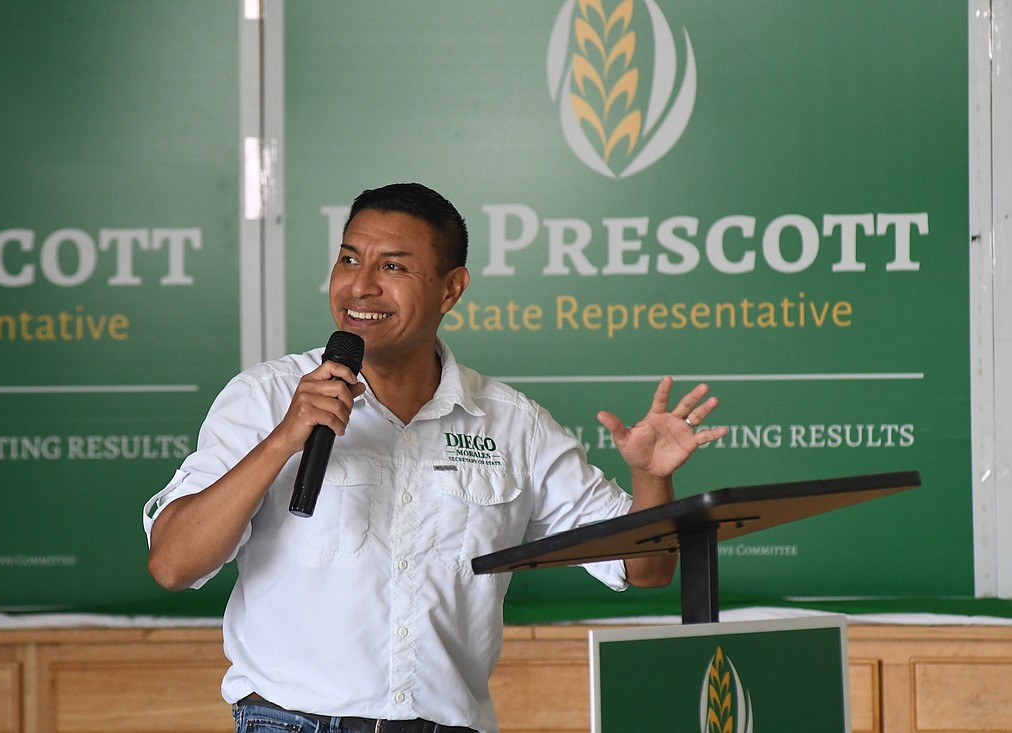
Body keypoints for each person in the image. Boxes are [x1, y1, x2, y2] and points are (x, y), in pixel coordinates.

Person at [143, 182, 728, 733]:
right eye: (349, 259)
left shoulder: (511, 423)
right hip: (292, 720)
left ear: (451, 288)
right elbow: (174, 564)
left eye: (392, 266)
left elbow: (647, 569)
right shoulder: (266, 396)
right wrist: (284, 438)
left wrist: (650, 480)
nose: (361, 286)